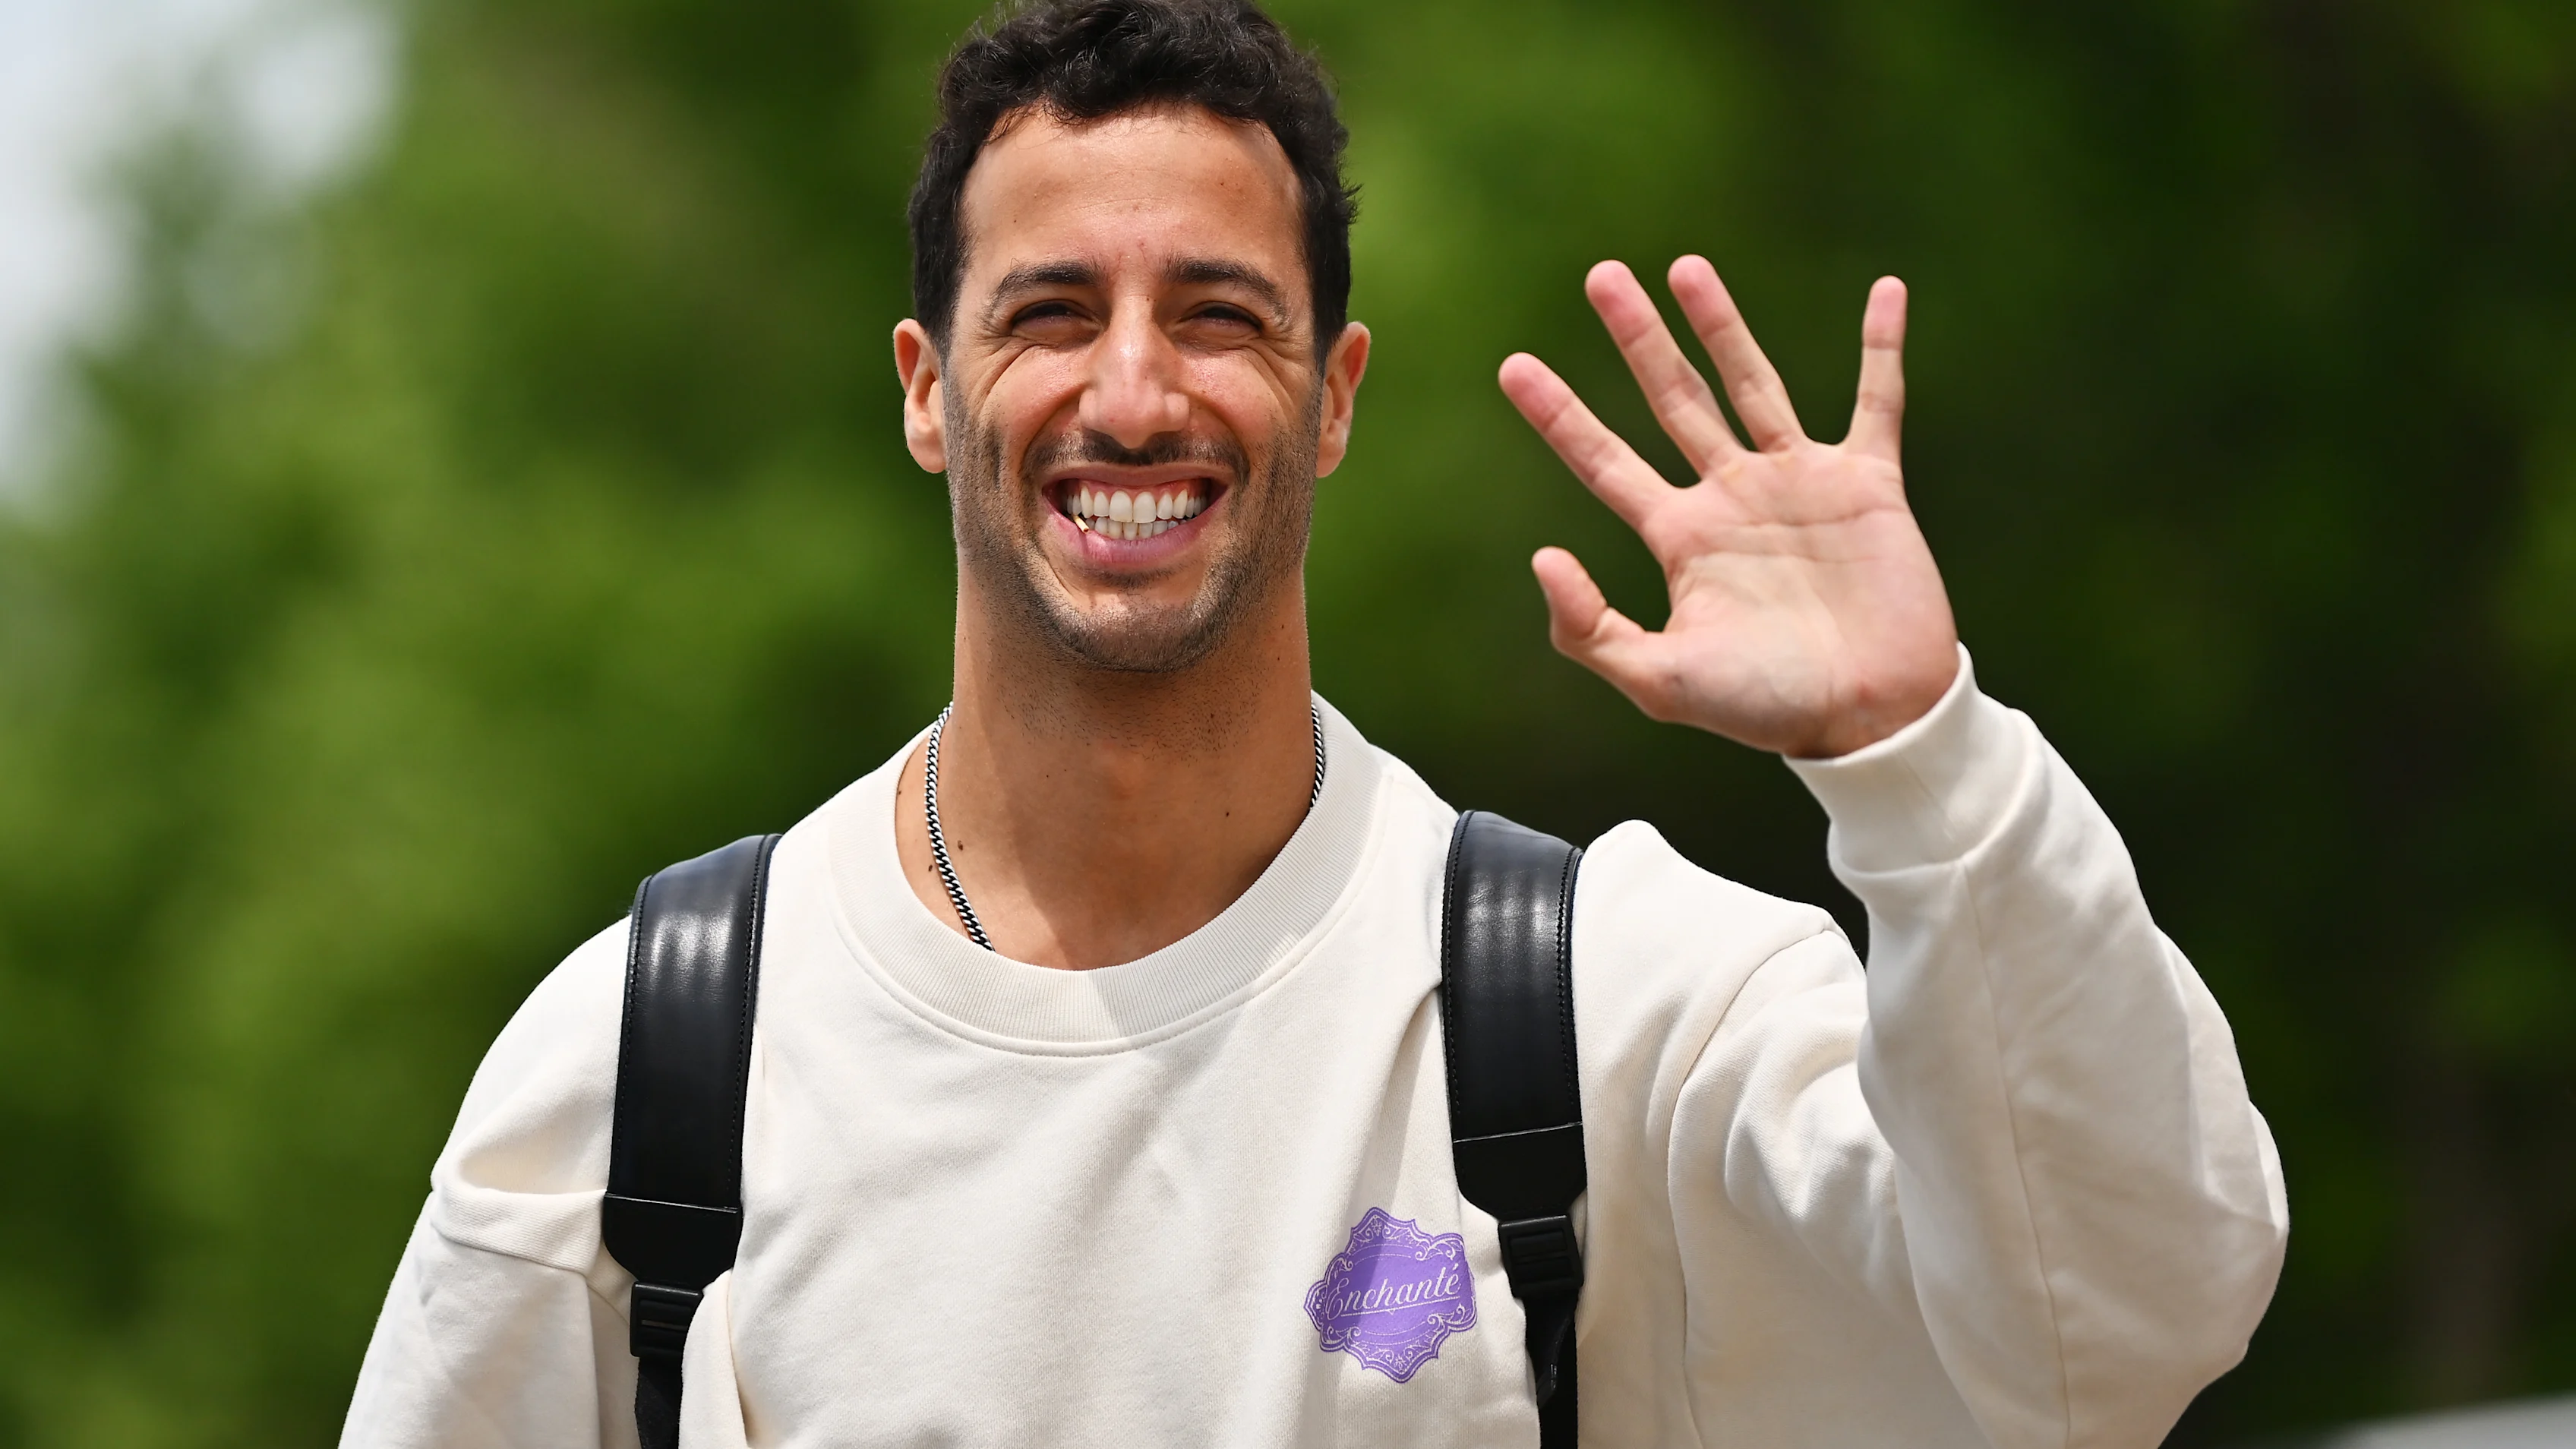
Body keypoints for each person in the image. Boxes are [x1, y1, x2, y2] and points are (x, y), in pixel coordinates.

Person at [337, 1, 2287, 1444]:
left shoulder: (1601, 1015)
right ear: (929, 390)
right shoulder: (655, 1060)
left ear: (1333, 393)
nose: (1130, 392)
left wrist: (1920, 759)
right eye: (1047, 312)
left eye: (1215, 312)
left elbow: (2115, 1331)